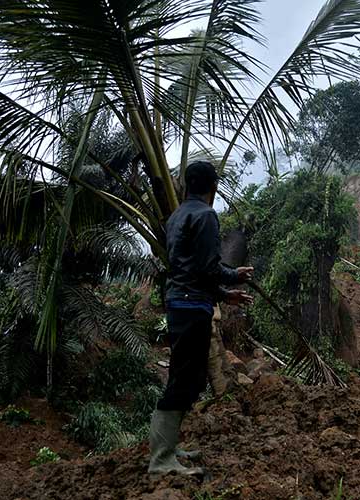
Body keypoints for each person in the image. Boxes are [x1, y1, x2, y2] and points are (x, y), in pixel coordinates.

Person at [148, 160, 253, 475]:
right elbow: (209, 269)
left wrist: (223, 295)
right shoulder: (206, 216)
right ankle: (161, 459)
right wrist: (234, 276)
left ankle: (169, 446)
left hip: (180, 302)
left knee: (189, 379)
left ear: (185, 186)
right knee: (184, 380)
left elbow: (190, 270)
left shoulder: (177, 216)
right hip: (192, 306)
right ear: (214, 187)